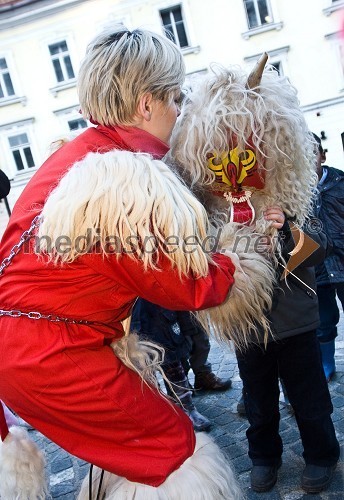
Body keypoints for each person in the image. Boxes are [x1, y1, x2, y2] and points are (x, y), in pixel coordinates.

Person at [0, 26, 244, 499]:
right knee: (170, 453)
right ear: (145, 104)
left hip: (28, 347)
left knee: (130, 453)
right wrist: (238, 253)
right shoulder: (123, 176)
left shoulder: (78, 155)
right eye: (175, 97)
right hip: (53, 355)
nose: (179, 110)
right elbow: (187, 285)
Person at [235, 209, 340, 494]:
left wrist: (287, 230)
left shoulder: (296, 201)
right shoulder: (219, 203)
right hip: (246, 324)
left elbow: (320, 249)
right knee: (257, 399)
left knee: (309, 398)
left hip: (296, 321)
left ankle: (322, 455)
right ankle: (264, 457)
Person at [131, 300, 212, 432]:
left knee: (173, 361)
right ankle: (157, 412)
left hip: (162, 314)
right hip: (134, 317)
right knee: (144, 370)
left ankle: (186, 407)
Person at [313, 133, 344, 382]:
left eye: (313, 152)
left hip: (343, 263)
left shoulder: (341, 182)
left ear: (322, 154)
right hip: (317, 269)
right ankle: (326, 362)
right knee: (324, 321)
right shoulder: (293, 191)